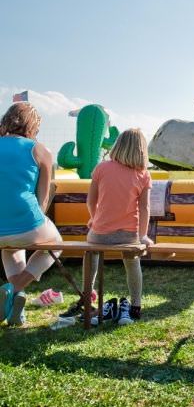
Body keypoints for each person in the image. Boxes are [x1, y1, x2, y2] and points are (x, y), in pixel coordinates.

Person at [61, 128, 153, 325]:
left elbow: (90, 201)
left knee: (91, 253)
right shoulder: (143, 174)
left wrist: (95, 219)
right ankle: (136, 305)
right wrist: (143, 236)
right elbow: (144, 208)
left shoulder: (102, 168)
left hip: (100, 234)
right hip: (129, 235)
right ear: (142, 150)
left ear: (117, 145)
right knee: (132, 262)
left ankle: (87, 295)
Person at [0, 102, 62, 326]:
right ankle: (14, 288)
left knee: (9, 247)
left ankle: (17, 308)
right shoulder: (40, 150)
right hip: (27, 222)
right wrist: (36, 223)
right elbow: (43, 199)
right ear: (33, 125)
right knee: (55, 244)